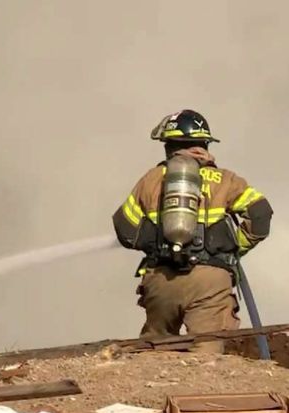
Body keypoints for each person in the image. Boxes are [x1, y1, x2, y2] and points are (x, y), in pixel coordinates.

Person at [112, 109, 273, 353]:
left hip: (162, 280)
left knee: (155, 353)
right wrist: (233, 246)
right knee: (206, 356)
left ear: (169, 146)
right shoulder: (226, 180)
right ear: (204, 144)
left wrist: (158, 245)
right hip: (210, 280)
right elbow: (260, 215)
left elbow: (124, 227)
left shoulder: (151, 180)